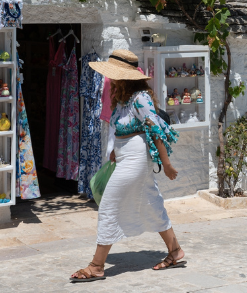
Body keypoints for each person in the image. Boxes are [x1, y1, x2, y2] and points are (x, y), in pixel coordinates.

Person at [71, 50, 184, 283]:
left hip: (136, 159)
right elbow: (122, 129)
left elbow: (155, 130)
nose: (111, 79)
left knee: (109, 205)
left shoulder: (140, 98)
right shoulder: (123, 99)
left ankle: (96, 266)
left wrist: (167, 164)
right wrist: (115, 150)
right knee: (151, 203)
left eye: (114, 75)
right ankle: (175, 251)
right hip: (126, 157)